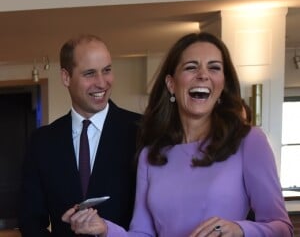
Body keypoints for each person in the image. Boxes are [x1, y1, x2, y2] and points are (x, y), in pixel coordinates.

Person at [62, 32, 293, 236]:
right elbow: (142, 233)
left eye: (214, 67)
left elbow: (282, 227)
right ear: (171, 84)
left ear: (223, 83)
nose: (203, 75)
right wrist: (105, 229)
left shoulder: (249, 141)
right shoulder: (151, 155)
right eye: (191, 67)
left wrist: (240, 230)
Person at [18, 34, 141, 236]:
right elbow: (30, 220)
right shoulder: (42, 143)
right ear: (66, 77)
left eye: (107, 70)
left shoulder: (143, 131)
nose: (102, 83)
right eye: (90, 73)